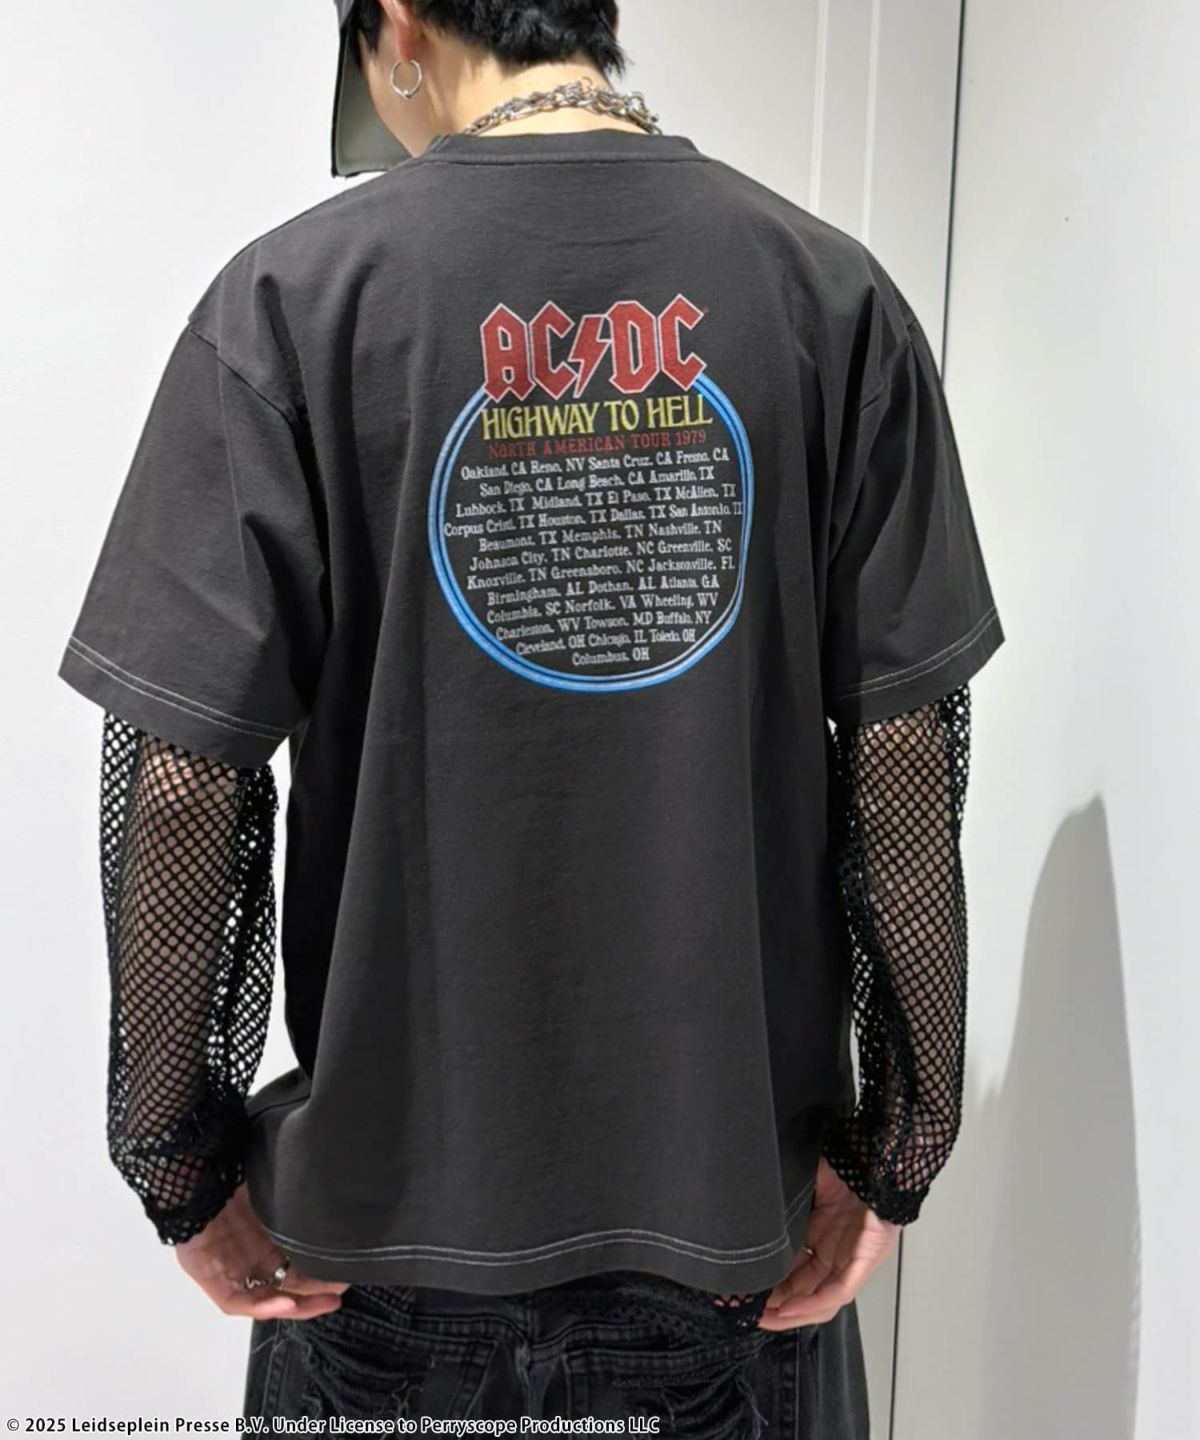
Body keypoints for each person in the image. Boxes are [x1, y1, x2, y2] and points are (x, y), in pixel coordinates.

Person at [56, 0, 1006, 1430]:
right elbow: (908, 755)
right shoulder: (830, 295)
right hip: (726, 1235)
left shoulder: (293, 299)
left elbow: (182, 778)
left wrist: (175, 1160)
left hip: (379, 1248)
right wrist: (898, 1147)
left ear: (395, 26)